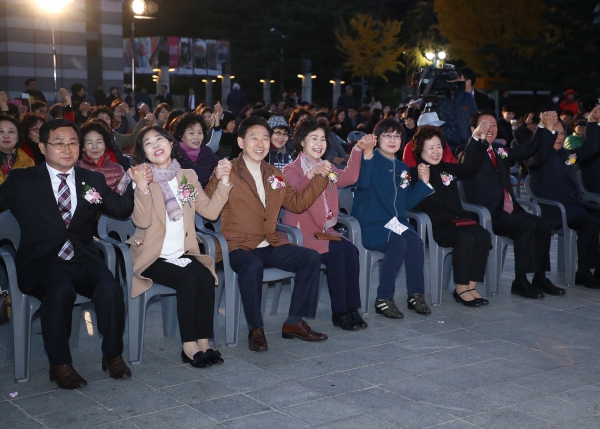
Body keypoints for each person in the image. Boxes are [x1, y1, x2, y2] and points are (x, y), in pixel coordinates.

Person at [0, 118, 151, 389]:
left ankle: (113, 354)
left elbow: (118, 210)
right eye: (58, 143)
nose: (67, 149)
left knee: (110, 288)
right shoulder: (23, 180)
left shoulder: (90, 179)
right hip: (42, 262)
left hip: (82, 257)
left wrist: (137, 186)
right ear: (42, 146)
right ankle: (60, 363)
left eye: (72, 143)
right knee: (60, 291)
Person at [204, 116, 330, 352]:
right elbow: (208, 208)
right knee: (251, 266)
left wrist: (319, 176)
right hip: (237, 246)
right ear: (241, 142)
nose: (261, 144)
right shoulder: (228, 170)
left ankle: (293, 323)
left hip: (268, 243)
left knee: (310, 257)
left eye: (265, 138)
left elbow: (296, 203)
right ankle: (256, 329)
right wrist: (215, 178)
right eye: (254, 138)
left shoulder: (274, 173)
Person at [129, 125, 232, 367]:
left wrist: (224, 182)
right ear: (143, 153)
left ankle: (204, 342)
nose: (155, 145)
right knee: (188, 279)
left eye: (159, 139)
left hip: (182, 253)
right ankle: (188, 346)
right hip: (152, 256)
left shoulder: (186, 175)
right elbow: (141, 222)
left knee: (206, 276)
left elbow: (209, 211)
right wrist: (142, 189)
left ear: (171, 143)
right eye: (148, 143)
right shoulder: (143, 177)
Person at [459, 111, 565, 298]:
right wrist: (476, 138)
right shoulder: (466, 151)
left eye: (493, 125)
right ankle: (520, 281)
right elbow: (466, 160)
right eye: (484, 125)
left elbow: (529, 150)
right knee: (526, 225)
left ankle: (540, 277)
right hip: (489, 214)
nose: (490, 129)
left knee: (543, 224)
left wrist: (542, 127)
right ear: (473, 129)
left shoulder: (499, 150)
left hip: (509, 209)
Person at [282, 118, 372, 329]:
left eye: (323, 138)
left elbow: (349, 178)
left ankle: (352, 308)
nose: (319, 143)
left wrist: (357, 150)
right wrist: (311, 174)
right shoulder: (291, 169)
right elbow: (297, 198)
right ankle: (339, 311)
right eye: (314, 138)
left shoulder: (327, 166)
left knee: (351, 251)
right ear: (301, 142)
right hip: (301, 234)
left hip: (323, 232)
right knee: (337, 255)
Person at [352, 119, 434, 318]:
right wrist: (368, 155)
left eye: (397, 136)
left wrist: (423, 183)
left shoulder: (402, 167)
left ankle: (415, 294)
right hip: (369, 224)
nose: (392, 140)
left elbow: (404, 205)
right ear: (377, 138)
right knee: (398, 243)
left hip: (393, 223)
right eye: (387, 135)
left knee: (415, 241)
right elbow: (361, 184)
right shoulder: (367, 159)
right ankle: (383, 298)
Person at [410, 124, 491, 306]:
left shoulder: (447, 168)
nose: (436, 151)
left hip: (458, 221)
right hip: (435, 225)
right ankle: (460, 289)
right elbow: (410, 203)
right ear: (420, 149)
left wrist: (479, 139)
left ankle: (471, 286)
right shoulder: (415, 173)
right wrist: (423, 183)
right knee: (466, 238)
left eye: (439, 146)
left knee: (483, 235)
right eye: (431, 147)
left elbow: (471, 168)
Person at [527, 108, 600, 288]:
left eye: (562, 133)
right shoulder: (538, 157)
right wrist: (544, 128)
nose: (559, 137)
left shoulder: (565, 155)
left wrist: (592, 122)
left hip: (572, 207)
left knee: (594, 219)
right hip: (552, 210)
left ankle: (589, 270)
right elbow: (537, 151)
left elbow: (589, 149)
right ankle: (580, 272)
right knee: (590, 221)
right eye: (555, 134)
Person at [75, 120, 130, 195]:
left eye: (99, 142)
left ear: (105, 145)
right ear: (83, 147)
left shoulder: (118, 170)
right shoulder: (75, 169)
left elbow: (124, 199)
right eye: (89, 143)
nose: (95, 147)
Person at [171, 112, 219, 188]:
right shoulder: (173, 154)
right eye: (191, 133)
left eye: (200, 133)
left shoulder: (208, 153)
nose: (196, 137)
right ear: (181, 135)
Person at [0, 114, 34, 185]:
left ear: (19, 136)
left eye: (11, 132)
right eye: (1, 131)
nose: (6, 136)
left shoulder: (28, 162)